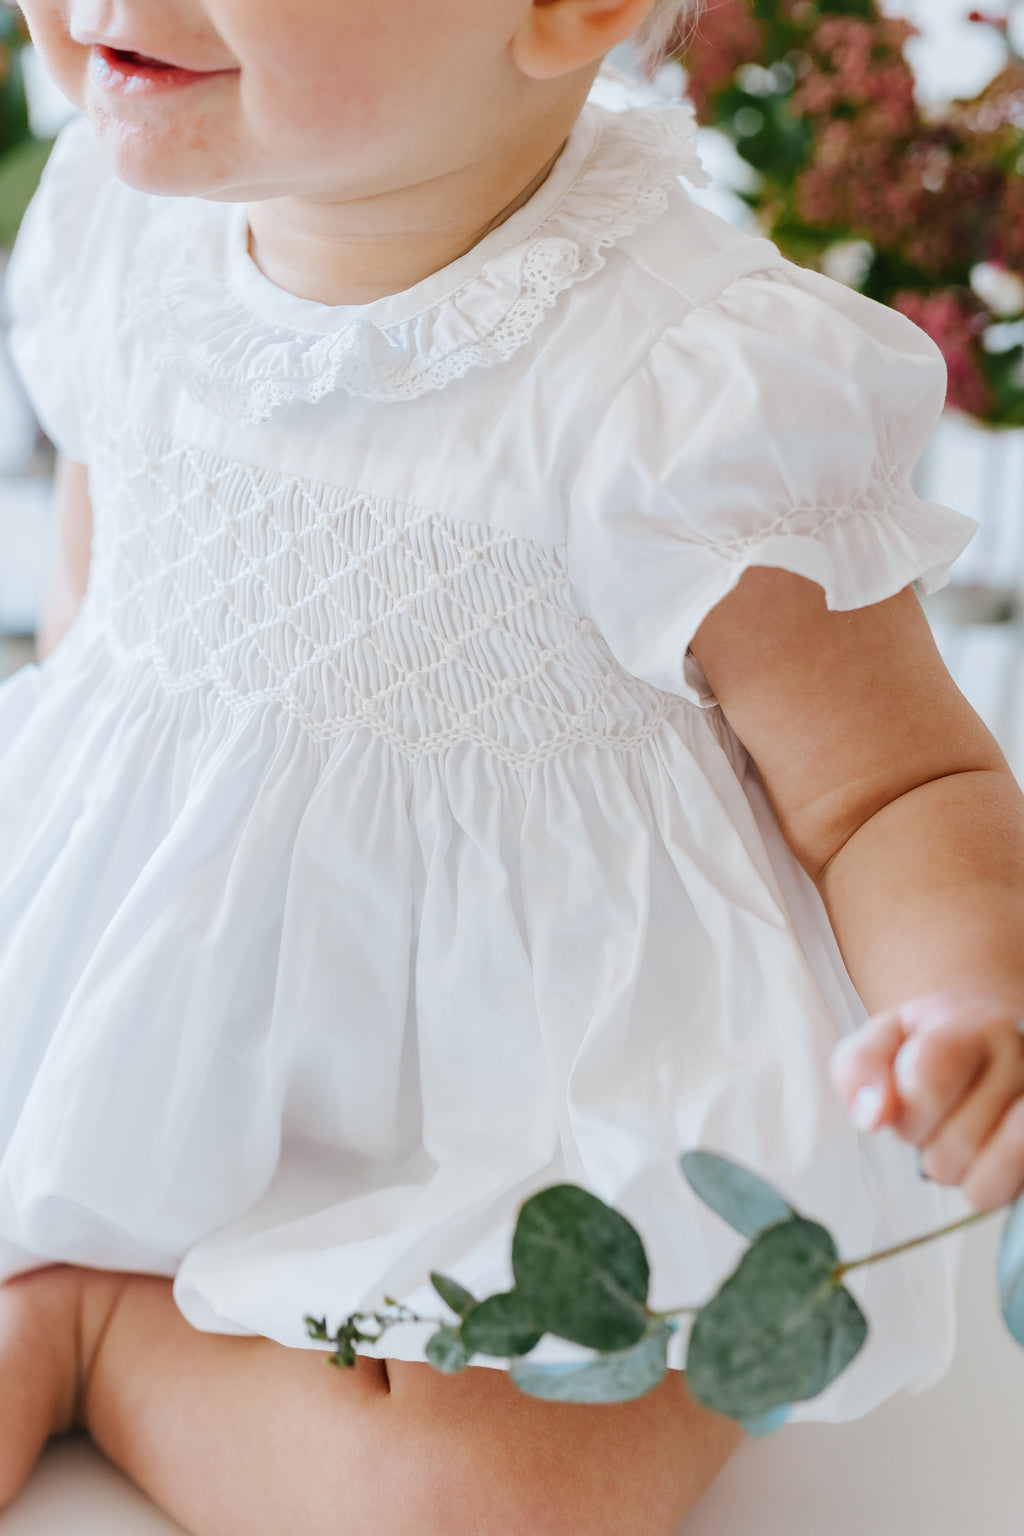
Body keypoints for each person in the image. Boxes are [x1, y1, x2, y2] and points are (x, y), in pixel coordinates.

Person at [0, 0, 1022, 1531]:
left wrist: (973, 991)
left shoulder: (690, 383)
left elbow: (893, 790)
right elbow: (100, 647)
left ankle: (101, 1328)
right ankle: (95, 1239)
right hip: (147, 1002)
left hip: (519, 1109)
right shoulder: (115, 225)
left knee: (491, 1504)